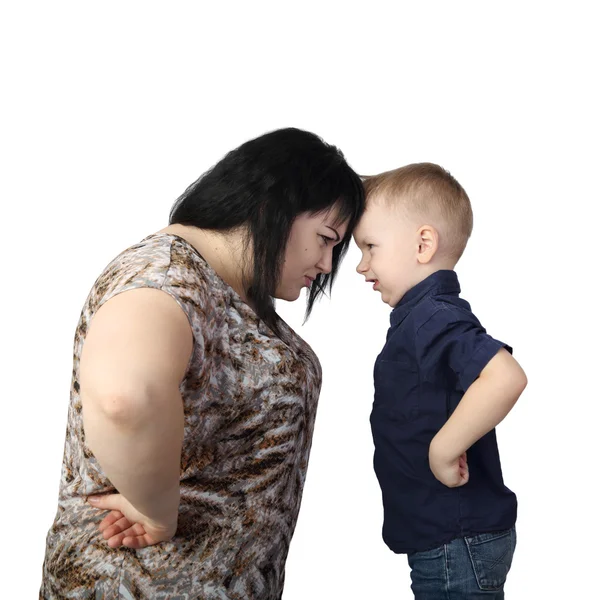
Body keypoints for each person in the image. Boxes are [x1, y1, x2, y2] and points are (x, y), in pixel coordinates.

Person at [40, 127, 365, 599]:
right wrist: (156, 513)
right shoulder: (166, 275)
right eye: (326, 238)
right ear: (272, 206)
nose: (327, 262)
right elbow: (124, 396)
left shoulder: (221, 284)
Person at [354, 163, 527, 599]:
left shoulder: (433, 318)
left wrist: (443, 449)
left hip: (456, 537)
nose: (361, 266)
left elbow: (504, 376)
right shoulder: (422, 318)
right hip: (446, 534)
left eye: (370, 247)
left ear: (423, 244)